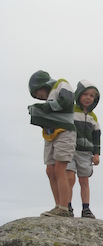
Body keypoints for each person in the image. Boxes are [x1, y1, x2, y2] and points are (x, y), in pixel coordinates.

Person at [28, 70, 76, 217]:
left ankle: (64, 208)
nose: (37, 96)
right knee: (50, 170)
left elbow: (66, 101)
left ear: (43, 84)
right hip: (51, 135)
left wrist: (43, 108)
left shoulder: (61, 84)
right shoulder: (49, 98)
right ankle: (58, 205)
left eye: (37, 91)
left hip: (64, 132)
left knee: (59, 169)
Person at [66, 80, 101, 219]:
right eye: (85, 94)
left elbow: (97, 135)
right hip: (70, 149)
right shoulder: (71, 111)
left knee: (84, 180)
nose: (88, 98)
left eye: (92, 96)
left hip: (85, 152)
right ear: (78, 95)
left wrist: (96, 153)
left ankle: (86, 208)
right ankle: (67, 206)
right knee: (69, 178)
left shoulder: (93, 117)